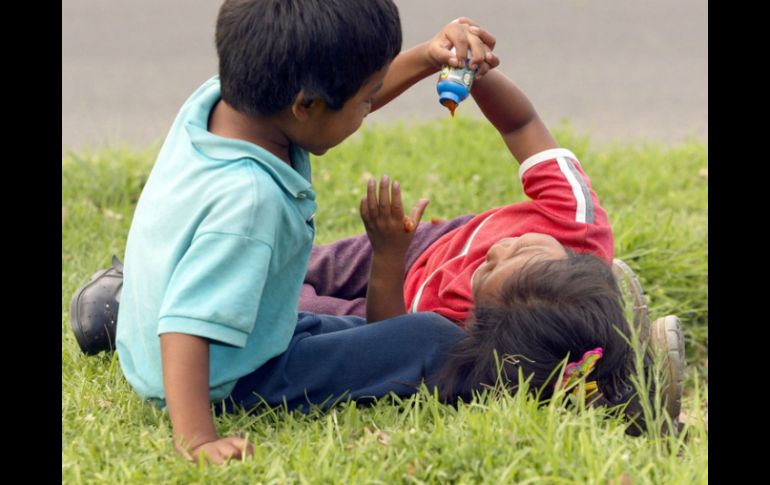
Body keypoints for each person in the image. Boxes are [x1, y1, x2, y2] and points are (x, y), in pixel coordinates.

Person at [68, 0, 501, 464]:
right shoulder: (248, 202)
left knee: (382, 330)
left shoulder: (222, 103)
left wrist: (428, 56)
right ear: (305, 106)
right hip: (228, 376)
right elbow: (185, 324)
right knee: (431, 340)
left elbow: (339, 96)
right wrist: (197, 438)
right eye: (366, 101)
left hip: (248, 336)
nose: (368, 109)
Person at [299, 67, 685, 422]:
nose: (496, 251)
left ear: (479, 322)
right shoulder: (575, 218)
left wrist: (388, 254)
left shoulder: (455, 332)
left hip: (399, 299)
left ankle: (612, 384)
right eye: (522, 247)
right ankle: (613, 353)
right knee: (303, 263)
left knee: (299, 310)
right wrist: (478, 76)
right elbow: (522, 124)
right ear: (574, 255)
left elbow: (389, 337)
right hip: (433, 245)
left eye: (487, 273)